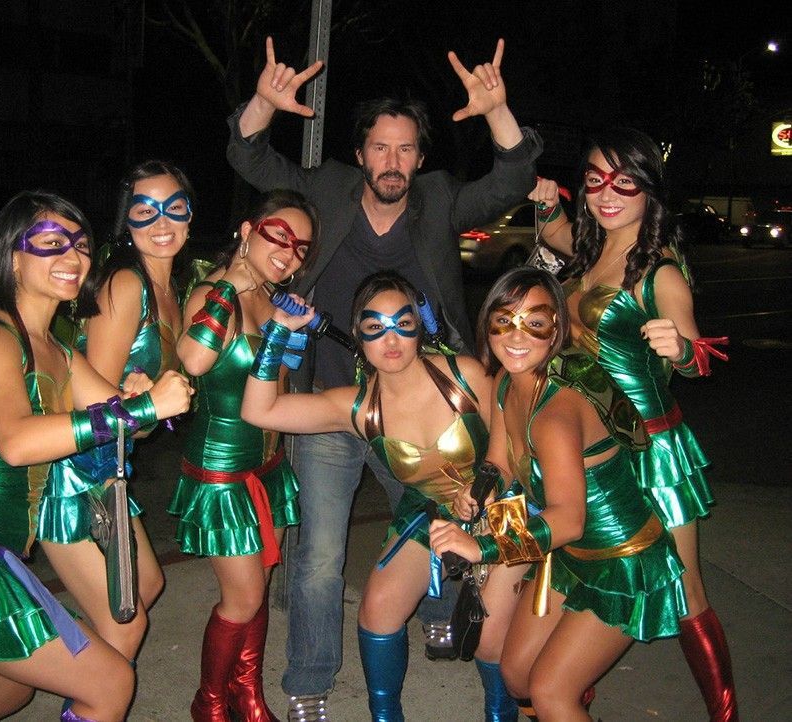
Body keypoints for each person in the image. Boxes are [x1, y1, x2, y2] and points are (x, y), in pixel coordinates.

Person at [226, 35, 543, 717]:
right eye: (380, 148)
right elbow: (250, 157)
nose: (392, 162)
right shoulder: (327, 188)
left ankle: (441, 604)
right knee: (319, 556)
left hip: (418, 401)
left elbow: (510, 181)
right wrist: (262, 103)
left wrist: (496, 111)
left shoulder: (438, 198)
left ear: (420, 158)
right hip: (334, 402)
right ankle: (309, 683)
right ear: (360, 153)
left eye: (405, 149)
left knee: (447, 508)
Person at [0, 190, 192, 722]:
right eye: (51, 244)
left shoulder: (57, 350)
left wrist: (139, 400)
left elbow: (122, 424)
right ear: (11, 257)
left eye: (80, 244)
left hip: (0, 554)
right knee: (110, 684)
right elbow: (17, 442)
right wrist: (137, 410)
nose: (73, 257)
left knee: (1, 698)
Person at [528, 127, 736, 721]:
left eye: (624, 182)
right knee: (589, 558)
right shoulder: (590, 248)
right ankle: (574, 690)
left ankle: (726, 713)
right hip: (592, 440)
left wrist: (682, 350)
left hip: (651, 449)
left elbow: (698, 359)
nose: (607, 194)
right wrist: (545, 202)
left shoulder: (660, 272)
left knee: (687, 588)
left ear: (649, 189)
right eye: (596, 180)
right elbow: (553, 229)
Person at [241, 269, 500, 721]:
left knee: (496, 645)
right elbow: (259, 409)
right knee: (378, 610)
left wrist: (487, 490)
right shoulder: (359, 406)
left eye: (403, 323)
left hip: (502, 509)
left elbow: (512, 448)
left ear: (420, 326)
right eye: (375, 327)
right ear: (358, 336)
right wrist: (279, 331)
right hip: (433, 517)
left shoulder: (465, 375)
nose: (391, 339)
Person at [430, 266, 687, 721]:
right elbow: (501, 461)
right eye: (504, 320)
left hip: (623, 563)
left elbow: (568, 519)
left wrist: (482, 548)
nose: (516, 336)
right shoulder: (506, 382)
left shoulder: (557, 413)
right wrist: (480, 489)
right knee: (517, 674)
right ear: (487, 323)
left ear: (556, 330)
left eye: (535, 322)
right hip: (568, 555)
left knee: (551, 691)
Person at [36, 160, 193, 669]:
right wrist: (140, 407)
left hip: (109, 468)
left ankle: (77, 675)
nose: (162, 222)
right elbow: (93, 406)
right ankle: (72, 683)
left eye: (174, 207)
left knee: (145, 586)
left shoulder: (170, 289)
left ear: (191, 215)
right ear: (126, 220)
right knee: (126, 618)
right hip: (74, 476)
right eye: (145, 211)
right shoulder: (126, 285)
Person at [171, 189, 320, 722]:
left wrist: (285, 331)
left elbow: (272, 386)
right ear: (247, 231)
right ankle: (209, 702)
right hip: (222, 474)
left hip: (268, 466)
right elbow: (193, 361)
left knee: (259, 588)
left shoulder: (272, 297)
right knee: (242, 599)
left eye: (300, 247)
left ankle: (246, 693)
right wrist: (229, 289)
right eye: (279, 236)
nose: (289, 253)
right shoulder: (214, 291)